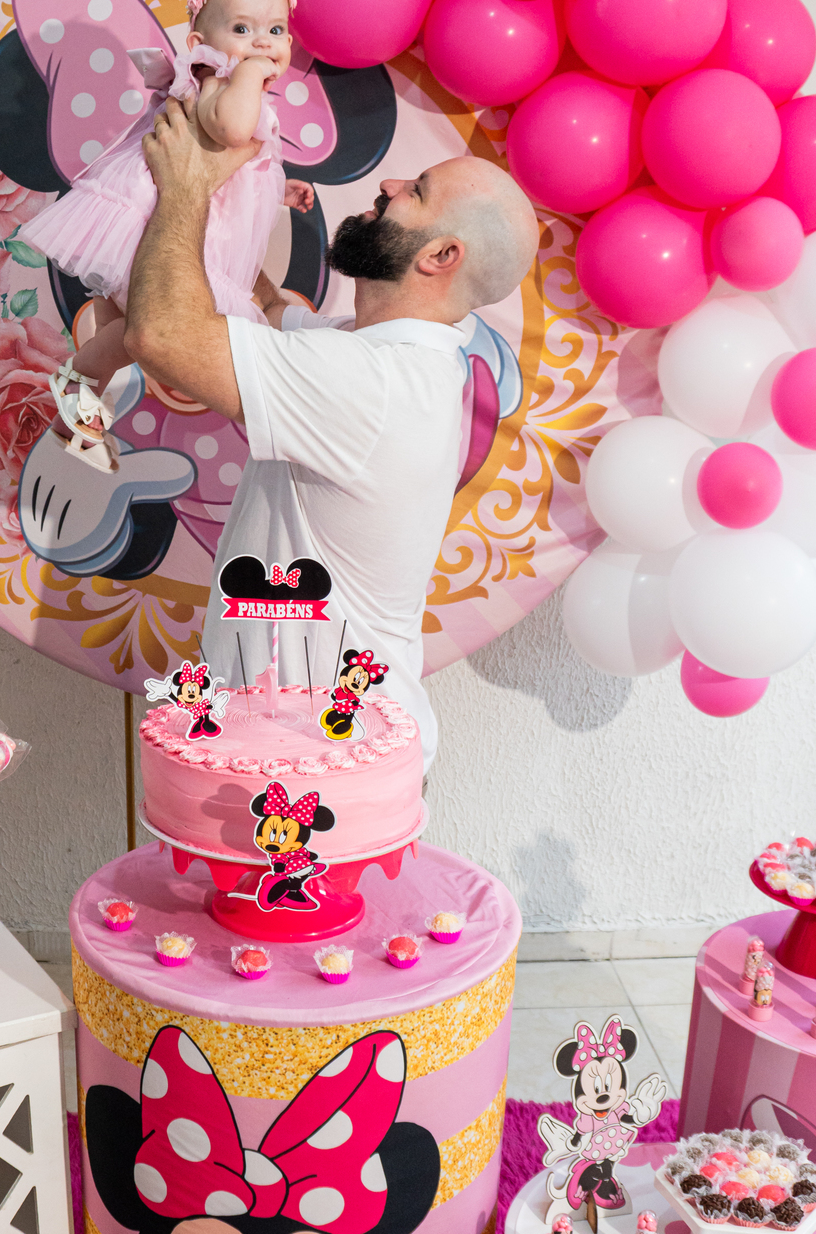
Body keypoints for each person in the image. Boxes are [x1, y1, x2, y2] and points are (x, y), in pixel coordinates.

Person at [123, 97, 540, 771]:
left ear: (441, 255)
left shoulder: (375, 384)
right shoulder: (390, 357)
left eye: (416, 191)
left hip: (322, 769)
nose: (389, 185)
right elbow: (267, 308)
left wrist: (185, 186)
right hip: (311, 752)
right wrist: (236, 193)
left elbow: (162, 336)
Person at [19, 0, 313, 398]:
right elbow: (230, 132)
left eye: (275, 31)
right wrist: (250, 73)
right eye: (241, 29)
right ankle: (78, 382)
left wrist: (278, 190)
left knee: (124, 328)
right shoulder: (217, 77)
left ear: (289, 42)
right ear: (200, 45)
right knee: (139, 332)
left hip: (158, 220)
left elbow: (234, 170)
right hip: (158, 227)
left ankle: (79, 406)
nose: (261, 42)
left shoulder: (239, 91)